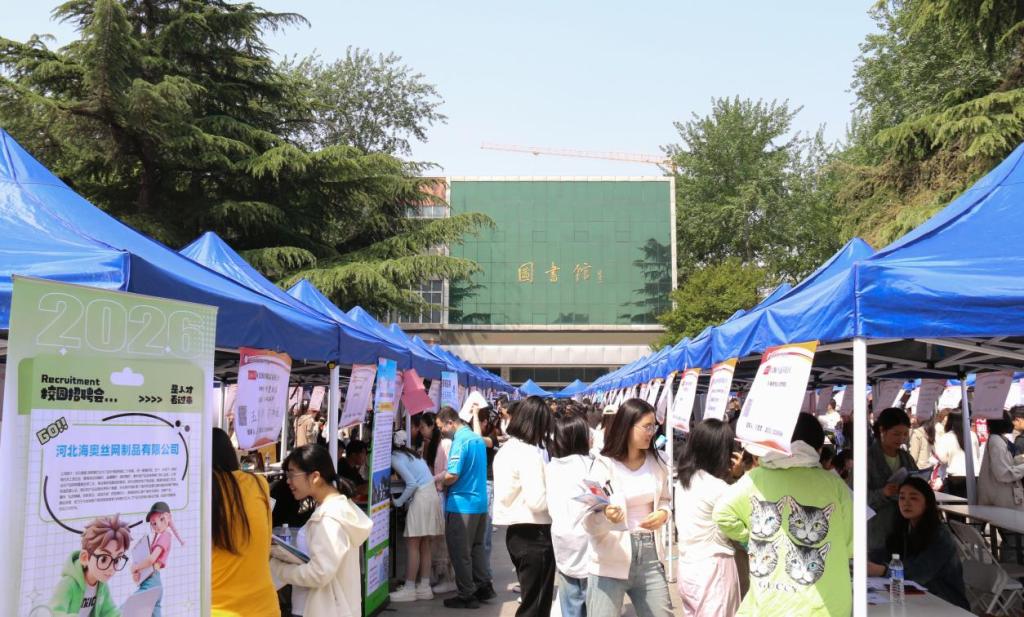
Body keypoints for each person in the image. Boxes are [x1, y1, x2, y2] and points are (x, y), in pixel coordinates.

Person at [713, 413, 853, 617]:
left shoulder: (754, 479)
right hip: (825, 606)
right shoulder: (835, 485)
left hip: (769, 605)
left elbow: (722, 514)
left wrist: (750, 537)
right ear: (819, 449)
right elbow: (852, 545)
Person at [583, 399, 673, 617]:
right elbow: (588, 521)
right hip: (609, 558)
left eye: (654, 427)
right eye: (647, 426)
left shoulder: (659, 461)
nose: (651, 433)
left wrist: (663, 513)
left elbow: (665, 500)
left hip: (650, 554)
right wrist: (607, 516)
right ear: (627, 426)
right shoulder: (603, 465)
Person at [270, 444, 372, 617]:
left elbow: (319, 573)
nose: (288, 481)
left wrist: (278, 568)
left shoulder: (328, 519)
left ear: (315, 477)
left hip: (321, 608)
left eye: (292, 474)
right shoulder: (337, 507)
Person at [493, 396, 556, 617]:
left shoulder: (508, 449)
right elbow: (537, 501)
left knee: (531, 601)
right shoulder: (529, 453)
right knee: (536, 606)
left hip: (517, 533)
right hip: (535, 534)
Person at [867, 478, 970, 610]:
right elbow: (883, 554)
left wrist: (881, 570)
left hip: (945, 602)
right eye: (902, 498)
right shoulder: (904, 528)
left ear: (927, 503)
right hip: (914, 598)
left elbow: (919, 573)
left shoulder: (940, 535)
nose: (906, 503)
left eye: (913, 498)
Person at [674, 419, 742, 617]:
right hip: (713, 571)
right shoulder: (718, 488)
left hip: (688, 567)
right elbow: (745, 512)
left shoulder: (685, 479)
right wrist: (739, 476)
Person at [211, 428, 279, 617]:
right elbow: (266, 541)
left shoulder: (201, 493)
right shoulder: (259, 484)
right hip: (265, 606)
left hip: (216, 610)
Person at [437, 406, 494, 608]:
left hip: (462, 505)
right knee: (477, 548)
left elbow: (452, 474)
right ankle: (483, 586)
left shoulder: (460, 441)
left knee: (459, 551)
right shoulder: (477, 439)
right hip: (480, 503)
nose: (441, 432)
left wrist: (441, 481)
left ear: (450, 422)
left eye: (441, 427)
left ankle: (466, 594)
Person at [545, 412, 595, 617]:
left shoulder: (551, 467)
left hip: (561, 539)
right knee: (594, 605)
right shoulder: (590, 465)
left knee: (571, 605)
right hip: (589, 542)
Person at [389, 430, 445, 603]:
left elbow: (412, 483)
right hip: (431, 495)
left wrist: (398, 502)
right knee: (424, 544)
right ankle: (424, 587)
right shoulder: (411, 454)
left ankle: (409, 588)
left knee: (413, 544)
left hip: (422, 497)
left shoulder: (395, 457)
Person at [49, 515, 132, 617]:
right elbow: (53, 613)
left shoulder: (102, 586)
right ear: (85, 558)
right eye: (103, 559)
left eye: (116, 560)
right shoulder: (68, 584)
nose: (111, 568)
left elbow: (110, 612)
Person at [416, 411, 457, 594]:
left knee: (441, 537)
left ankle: (447, 577)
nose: (421, 431)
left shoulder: (445, 444)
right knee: (433, 537)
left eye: (423, 427)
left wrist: (432, 478)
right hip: (433, 494)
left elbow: (449, 470)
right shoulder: (429, 446)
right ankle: (437, 575)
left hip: (441, 495)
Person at [867, 407, 917, 551]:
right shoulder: (867, 459)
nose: (901, 439)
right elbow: (854, 498)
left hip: (905, 530)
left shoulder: (906, 458)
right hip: (877, 532)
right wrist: (883, 493)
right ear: (882, 430)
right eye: (896, 434)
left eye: (905, 434)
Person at [128, 500, 184, 617]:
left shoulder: (165, 536)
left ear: (167, 518)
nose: (156, 526)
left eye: (160, 520)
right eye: (153, 524)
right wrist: (137, 572)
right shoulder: (159, 537)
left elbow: (151, 559)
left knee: (125, 609)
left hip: (152, 582)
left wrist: (136, 567)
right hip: (153, 581)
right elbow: (148, 561)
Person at [934, 411, 979, 498]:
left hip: (955, 477)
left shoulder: (947, 437)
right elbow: (977, 455)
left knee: (957, 504)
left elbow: (942, 459)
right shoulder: (973, 435)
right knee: (972, 503)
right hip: (974, 475)